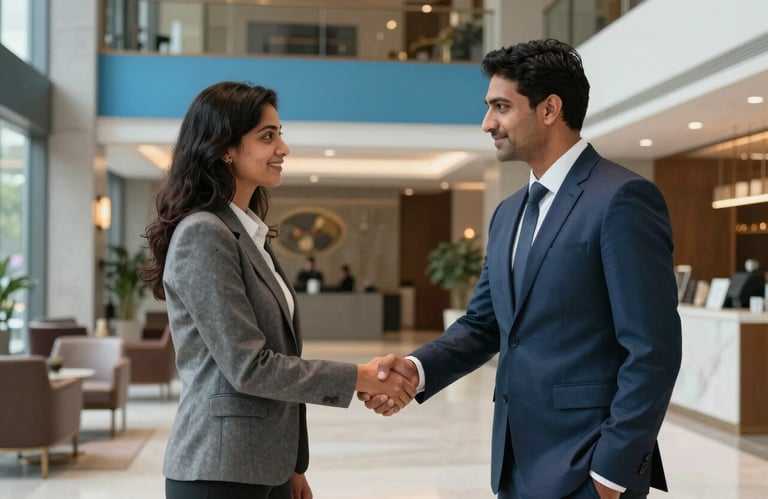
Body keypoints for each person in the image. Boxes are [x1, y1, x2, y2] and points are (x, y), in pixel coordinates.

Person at [361, 39, 682, 499]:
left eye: (501, 107)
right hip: (514, 463)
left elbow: (653, 350)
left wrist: (612, 473)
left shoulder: (622, 199)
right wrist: (415, 369)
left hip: (588, 466)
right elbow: (484, 324)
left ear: (549, 109)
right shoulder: (508, 212)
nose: (487, 123)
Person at [139, 81, 415, 499]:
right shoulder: (203, 234)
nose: (283, 148)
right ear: (225, 148)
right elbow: (249, 367)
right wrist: (360, 377)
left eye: (279, 134)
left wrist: (292, 465)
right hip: (219, 470)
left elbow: (282, 355)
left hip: (265, 466)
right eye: (267, 137)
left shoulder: (247, 234)